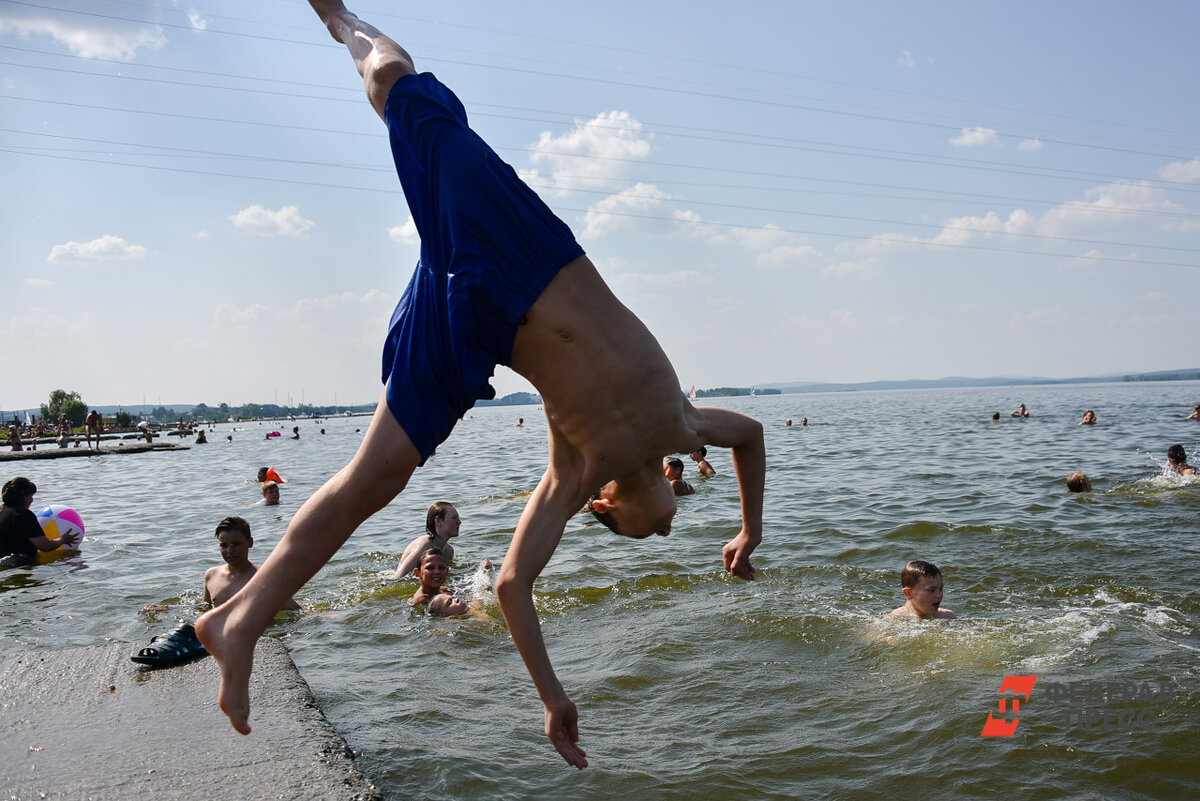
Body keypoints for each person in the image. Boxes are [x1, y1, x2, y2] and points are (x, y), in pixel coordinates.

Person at [197, 3, 765, 771]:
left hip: (476, 323)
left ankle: (242, 619)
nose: (665, 529)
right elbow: (755, 437)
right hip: (522, 245)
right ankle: (341, 20)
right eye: (660, 531)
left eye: (647, 532)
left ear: (607, 506)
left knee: (381, 472)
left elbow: (510, 585)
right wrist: (750, 529)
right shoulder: (686, 425)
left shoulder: (575, 475)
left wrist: (551, 694)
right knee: (404, 86)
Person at [203, 516, 300, 610]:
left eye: (235, 544)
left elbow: (297, 611)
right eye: (224, 545)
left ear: (250, 542)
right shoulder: (211, 575)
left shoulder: (263, 579)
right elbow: (205, 610)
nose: (229, 550)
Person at [0, 477, 80, 565]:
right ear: (23, 496)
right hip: (19, 564)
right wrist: (63, 539)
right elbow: (45, 546)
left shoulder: (1, 511)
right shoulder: (23, 515)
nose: (32, 500)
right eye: (30, 496)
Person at [393, 501, 460, 579]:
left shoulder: (449, 551)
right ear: (438, 521)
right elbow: (398, 577)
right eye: (454, 518)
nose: (459, 522)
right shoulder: (424, 545)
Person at [890, 560, 955, 620]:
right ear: (908, 593)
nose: (939, 595)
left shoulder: (947, 616)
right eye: (931, 590)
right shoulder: (896, 619)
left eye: (940, 589)